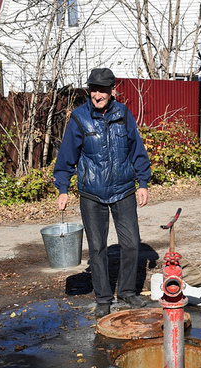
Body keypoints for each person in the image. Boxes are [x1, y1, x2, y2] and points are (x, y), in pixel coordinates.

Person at [53, 68, 152, 317]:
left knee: (131, 245)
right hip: (92, 193)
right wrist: (62, 189)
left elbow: (137, 151)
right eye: (94, 89)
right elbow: (66, 158)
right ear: (89, 91)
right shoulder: (78, 119)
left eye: (103, 90)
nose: (98, 94)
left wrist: (143, 183)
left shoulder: (124, 114)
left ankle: (128, 292)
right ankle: (103, 298)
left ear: (112, 91)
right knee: (97, 248)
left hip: (124, 189)